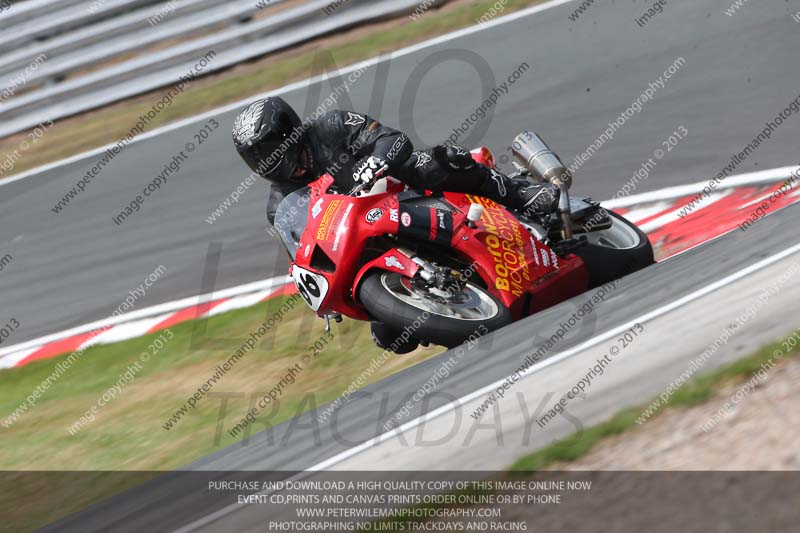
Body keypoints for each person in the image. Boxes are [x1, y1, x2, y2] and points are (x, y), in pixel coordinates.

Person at [232, 97, 559, 225]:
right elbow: (304, 255)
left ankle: (518, 194)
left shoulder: (330, 126)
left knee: (437, 161)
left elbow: (393, 140)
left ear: (289, 128)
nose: (268, 160)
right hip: (364, 231)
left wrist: (370, 167)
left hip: (399, 191)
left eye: (269, 147)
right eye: (256, 157)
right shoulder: (279, 205)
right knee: (386, 332)